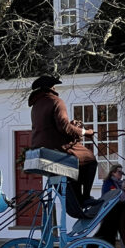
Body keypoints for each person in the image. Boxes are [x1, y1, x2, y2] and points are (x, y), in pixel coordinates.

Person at [28, 74, 99, 218]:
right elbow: (64, 127)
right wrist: (85, 132)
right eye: (53, 86)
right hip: (56, 146)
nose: (55, 88)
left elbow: (51, 126)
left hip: (39, 147)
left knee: (77, 165)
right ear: (50, 88)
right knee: (90, 160)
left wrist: (72, 127)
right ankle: (85, 198)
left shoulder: (35, 106)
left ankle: (78, 198)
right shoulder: (56, 101)